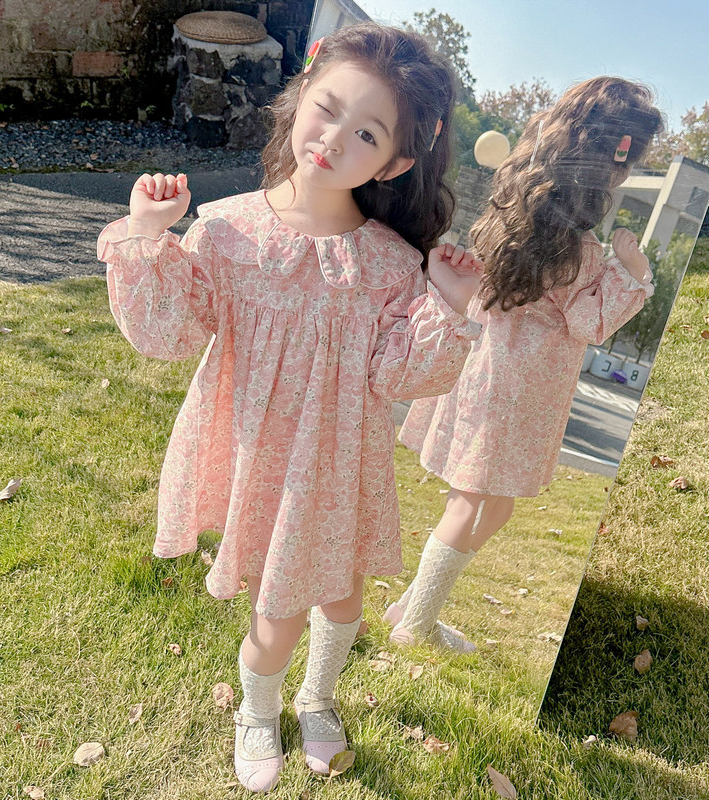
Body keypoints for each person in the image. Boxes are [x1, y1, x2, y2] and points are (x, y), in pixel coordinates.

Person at [98, 23, 484, 793]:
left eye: (367, 132)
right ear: (300, 94)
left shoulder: (389, 264)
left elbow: (402, 374)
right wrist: (146, 234)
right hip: (260, 460)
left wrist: (449, 305)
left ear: (396, 162)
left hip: (339, 465)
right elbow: (170, 331)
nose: (335, 138)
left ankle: (318, 695)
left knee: (341, 599)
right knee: (274, 614)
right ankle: (258, 709)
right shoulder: (228, 229)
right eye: (328, 109)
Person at [387, 76, 664, 653]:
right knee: (474, 501)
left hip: (489, 367)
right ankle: (415, 626)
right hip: (524, 386)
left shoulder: (515, 211)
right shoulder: (578, 250)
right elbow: (589, 322)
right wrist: (633, 272)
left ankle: (412, 605)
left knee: (492, 503)